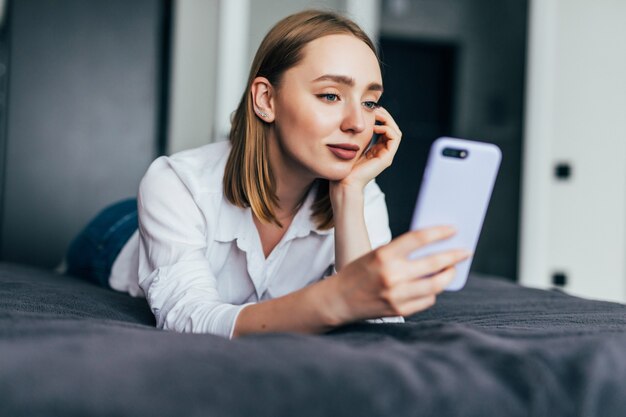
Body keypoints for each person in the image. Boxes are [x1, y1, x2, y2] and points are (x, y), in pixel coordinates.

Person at [64, 10, 470, 339]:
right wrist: (334, 300)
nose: (358, 124)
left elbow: (375, 324)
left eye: (369, 102)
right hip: (119, 235)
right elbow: (186, 317)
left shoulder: (362, 193)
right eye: (330, 95)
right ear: (266, 99)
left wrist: (349, 196)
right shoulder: (176, 182)